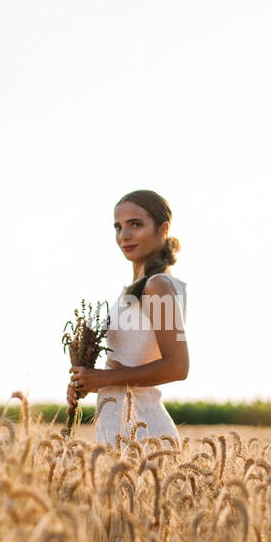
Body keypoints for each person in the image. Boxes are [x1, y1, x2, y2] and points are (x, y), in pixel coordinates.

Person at [67, 189, 188, 446]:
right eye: (118, 227)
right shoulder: (139, 288)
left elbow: (178, 366)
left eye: (136, 224)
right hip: (119, 426)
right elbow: (129, 366)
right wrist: (87, 382)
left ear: (163, 228)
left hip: (144, 434)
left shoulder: (158, 286)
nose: (124, 235)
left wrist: (101, 378)